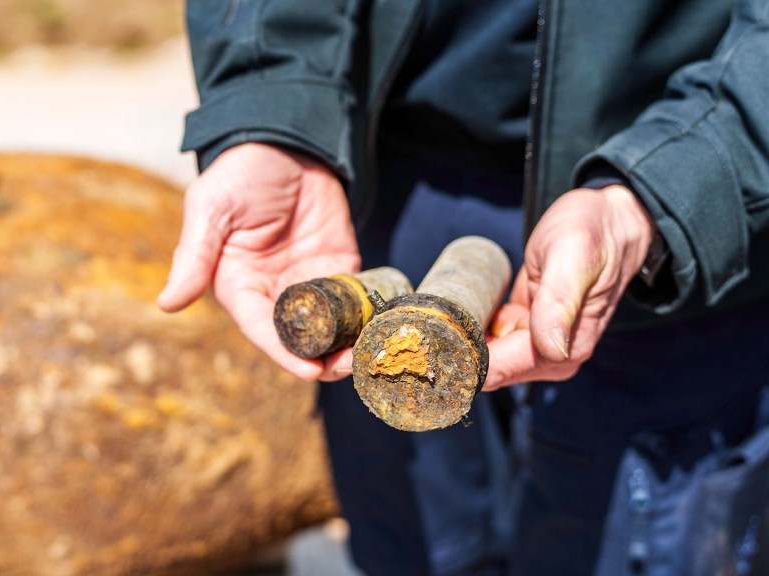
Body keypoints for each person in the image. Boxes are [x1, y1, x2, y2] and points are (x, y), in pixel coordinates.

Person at [159, 1, 769, 574]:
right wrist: (269, 108)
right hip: (384, 183)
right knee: (415, 549)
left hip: (661, 233)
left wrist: (674, 190)